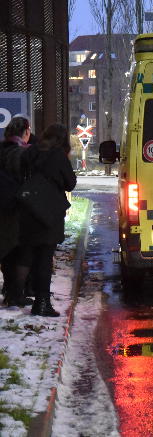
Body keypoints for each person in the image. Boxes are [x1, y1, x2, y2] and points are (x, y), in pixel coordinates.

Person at [15, 124, 76, 316]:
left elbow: (20, 175)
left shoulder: (30, 151)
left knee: (27, 253)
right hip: (48, 212)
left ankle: (16, 292)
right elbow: (70, 183)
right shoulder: (58, 155)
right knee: (44, 258)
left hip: (28, 209)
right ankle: (42, 303)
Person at [1, 116, 32, 306]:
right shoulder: (23, 153)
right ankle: (16, 294)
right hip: (17, 209)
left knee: (6, 250)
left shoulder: (1, 148)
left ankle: (9, 289)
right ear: (26, 132)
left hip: (1, 208)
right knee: (22, 252)